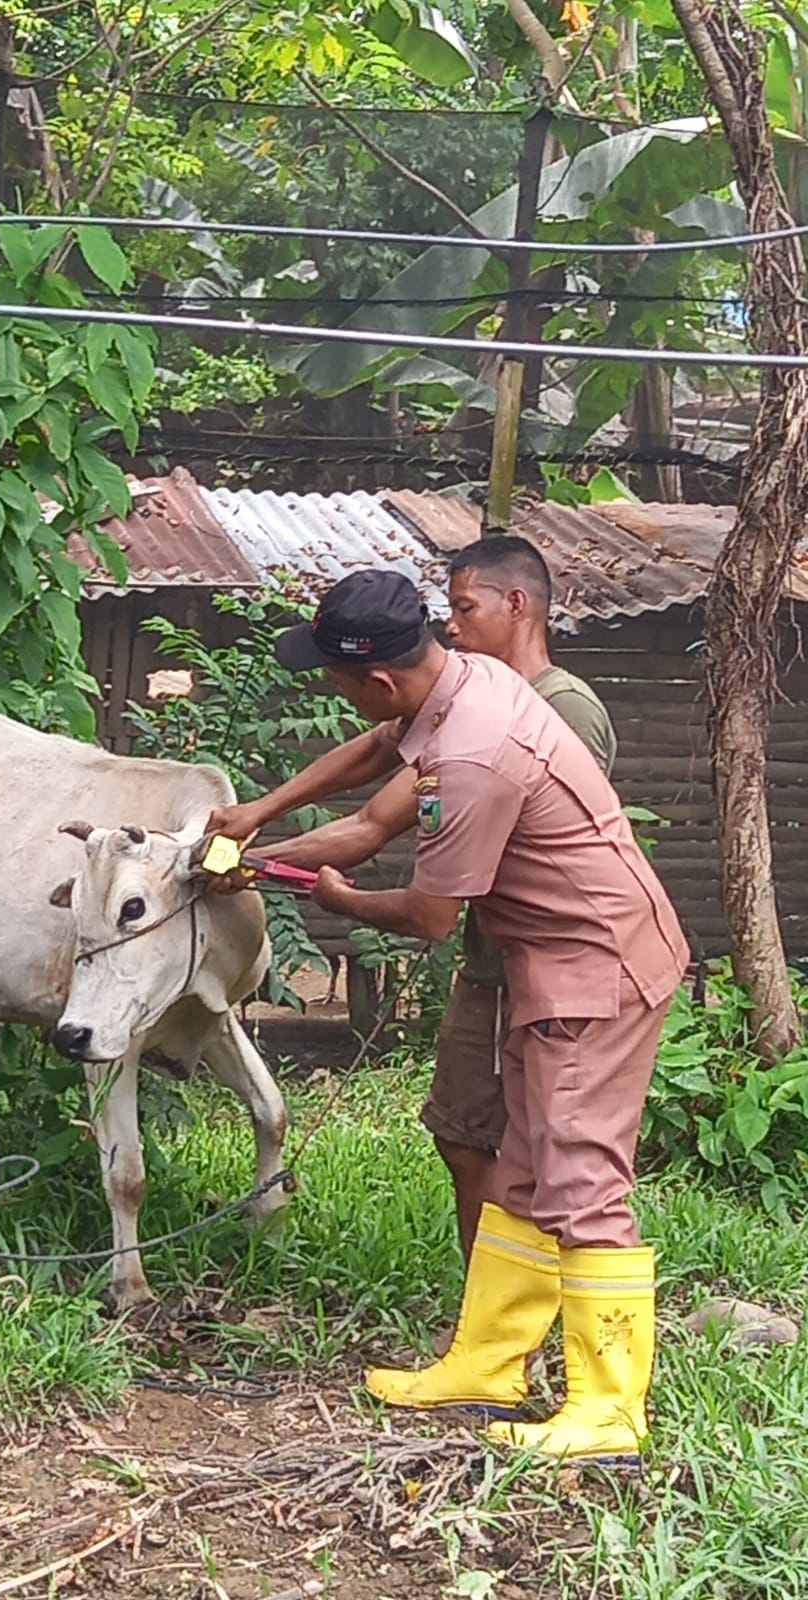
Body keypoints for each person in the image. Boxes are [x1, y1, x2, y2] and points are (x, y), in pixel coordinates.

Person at [206, 568, 688, 1461]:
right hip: (549, 965)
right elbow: (374, 753)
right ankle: (487, 1363)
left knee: (580, 1179)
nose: (334, 690)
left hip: (595, 970)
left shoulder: (472, 755)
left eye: (335, 677)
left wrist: (322, 892)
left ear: (379, 676)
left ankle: (611, 1410)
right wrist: (263, 820)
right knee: (521, 1174)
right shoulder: (467, 680)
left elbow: (430, 918)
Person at [431, 538, 617, 1265]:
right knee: (461, 1130)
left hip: (546, 972)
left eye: (463, 607)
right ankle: (486, 1306)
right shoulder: (476, 706)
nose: (450, 626)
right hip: (488, 965)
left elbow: (537, 842)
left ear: (517, 605)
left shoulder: (562, 708)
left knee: (543, 1156)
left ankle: (526, 1321)